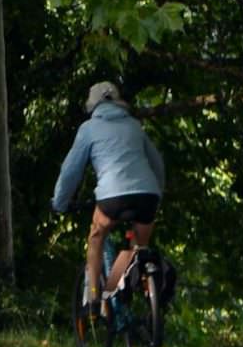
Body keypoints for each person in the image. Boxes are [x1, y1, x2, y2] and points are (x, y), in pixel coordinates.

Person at [50, 80, 165, 312]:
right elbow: (157, 163)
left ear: (93, 106)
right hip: (147, 195)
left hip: (112, 197)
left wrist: (60, 203)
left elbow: (71, 170)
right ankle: (121, 291)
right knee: (137, 248)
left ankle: (93, 297)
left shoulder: (88, 129)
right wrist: (157, 193)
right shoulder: (135, 126)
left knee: (96, 236)